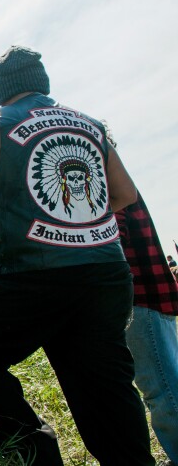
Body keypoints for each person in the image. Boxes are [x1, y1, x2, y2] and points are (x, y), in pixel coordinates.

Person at [0, 45, 154, 465]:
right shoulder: (89, 125)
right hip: (105, 272)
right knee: (104, 384)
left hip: (30, 274)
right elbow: (125, 194)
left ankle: (35, 452)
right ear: (43, 84)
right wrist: (75, 222)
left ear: (1, 89)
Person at [114, 191, 178, 465]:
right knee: (168, 385)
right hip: (151, 296)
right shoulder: (119, 182)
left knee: (163, 391)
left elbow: (111, 242)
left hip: (138, 299)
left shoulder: (105, 184)